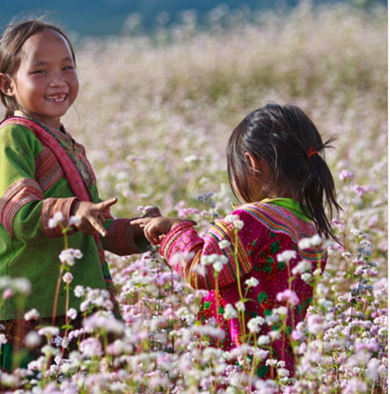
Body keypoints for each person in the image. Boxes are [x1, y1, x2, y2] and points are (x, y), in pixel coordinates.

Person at [0, 18, 151, 372]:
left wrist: (143, 231)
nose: (58, 80)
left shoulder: (67, 143)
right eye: (40, 71)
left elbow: (95, 226)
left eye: (67, 67)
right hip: (27, 314)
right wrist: (75, 211)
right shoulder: (12, 138)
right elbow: (20, 215)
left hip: (77, 309)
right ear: (7, 84)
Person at [132, 103, 341, 378]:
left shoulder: (249, 221)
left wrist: (174, 230)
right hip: (282, 370)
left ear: (253, 163)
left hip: (237, 367)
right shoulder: (309, 230)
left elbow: (203, 270)